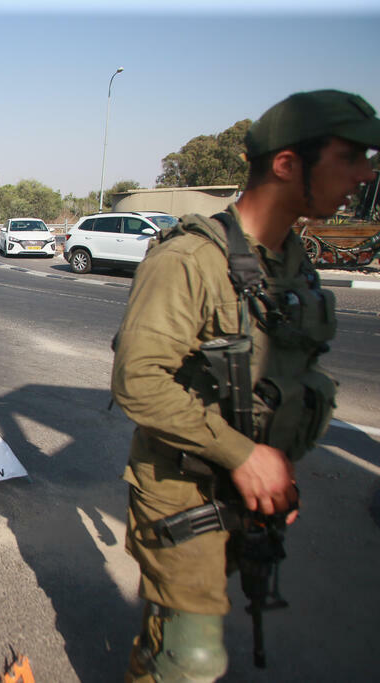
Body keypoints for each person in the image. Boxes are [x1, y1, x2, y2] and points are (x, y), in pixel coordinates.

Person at [111, 90, 380, 681]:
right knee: (195, 659)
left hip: (249, 483)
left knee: (170, 642)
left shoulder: (291, 262)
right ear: (287, 163)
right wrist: (245, 456)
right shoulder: (189, 259)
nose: (366, 172)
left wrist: (273, 464)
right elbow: (137, 381)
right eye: (350, 155)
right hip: (182, 490)